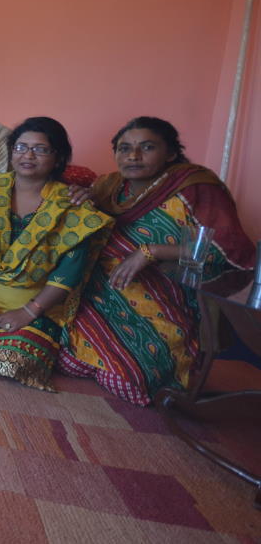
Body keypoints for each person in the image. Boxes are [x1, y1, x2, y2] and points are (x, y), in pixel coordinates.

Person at [60, 117, 256, 405]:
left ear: (171, 153)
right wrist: (83, 200)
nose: (133, 156)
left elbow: (229, 250)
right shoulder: (109, 186)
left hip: (168, 300)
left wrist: (151, 251)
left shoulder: (196, 187)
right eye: (124, 148)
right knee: (63, 358)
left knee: (129, 383)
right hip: (101, 302)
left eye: (147, 147)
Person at [0, 118, 113, 390]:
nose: (28, 155)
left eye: (40, 149)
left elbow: (69, 273)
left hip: (38, 302)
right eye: (20, 147)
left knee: (16, 359)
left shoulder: (73, 205)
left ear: (58, 157)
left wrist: (28, 312)